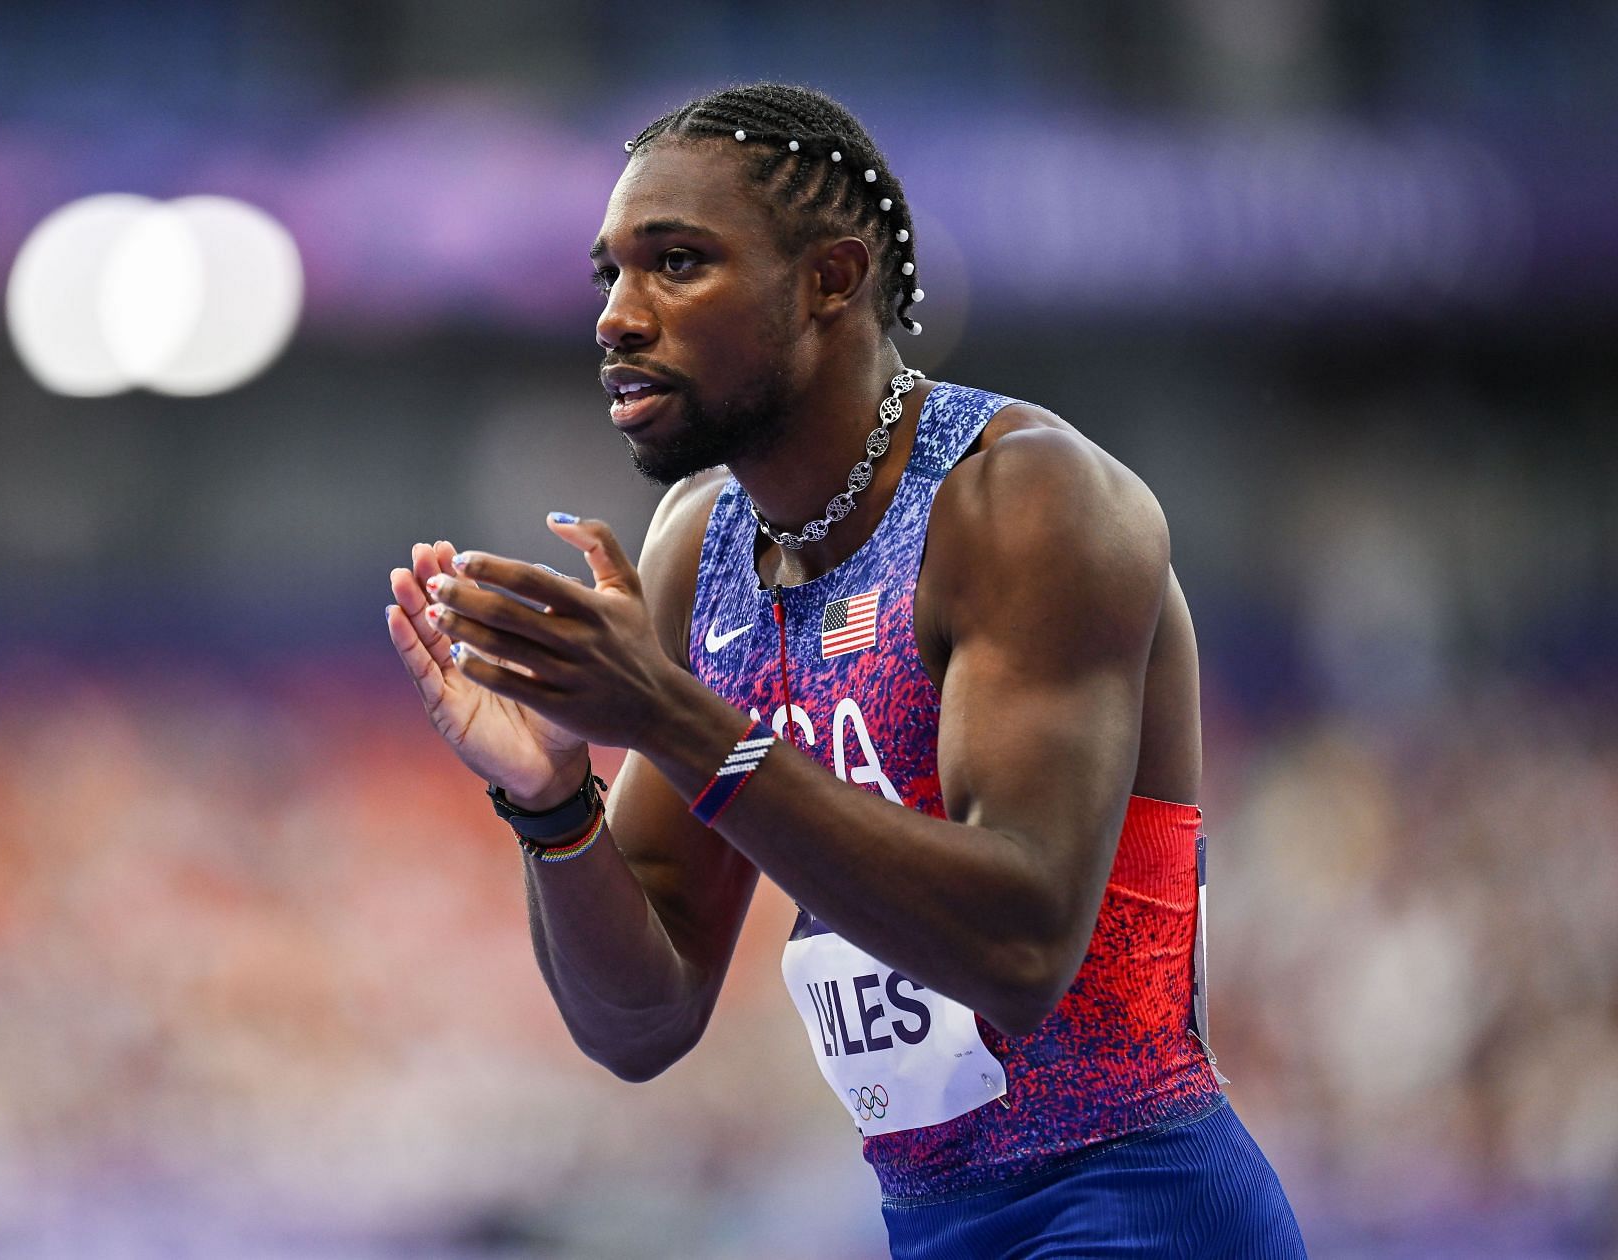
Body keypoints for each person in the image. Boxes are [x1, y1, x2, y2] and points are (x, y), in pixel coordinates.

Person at [386, 83, 1305, 1257]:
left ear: (830, 281)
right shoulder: (696, 546)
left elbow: (1019, 951)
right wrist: (555, 802)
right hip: (926, 1225)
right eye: (608, 273)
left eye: (675, 263)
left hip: (1137, 1205)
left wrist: (664, 712)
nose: (617, 316)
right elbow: (643, 1023)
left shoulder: (1024, 501)